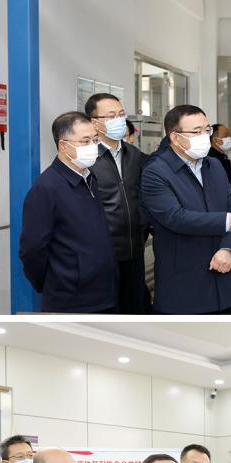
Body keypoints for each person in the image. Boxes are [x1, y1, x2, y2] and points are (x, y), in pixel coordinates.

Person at [141, 104, 231, 315]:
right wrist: (227, 221)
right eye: (196, 132)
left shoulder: (213, 166)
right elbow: (175, 218)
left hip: (222, 285)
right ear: (175, 137)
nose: (204, 136)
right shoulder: (156, 172)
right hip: (183, 287)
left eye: (206, 130)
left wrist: (228, 249)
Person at [19, 111, 118, 313]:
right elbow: (32, 249)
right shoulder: (47, 187)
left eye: (95, 140)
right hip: (71, 299)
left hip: (104, 293)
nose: (93, 146)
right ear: (64, 146)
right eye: (85, 141)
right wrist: (55, 282)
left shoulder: (89, 178)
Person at [85, 93, 151, 315]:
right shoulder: (87, 158)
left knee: (135, 311)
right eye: (111, 115)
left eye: (121, 114)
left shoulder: (135, 155)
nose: (119, 120)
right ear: (95, 122)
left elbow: (143, 198)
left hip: (134, 252)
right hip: (101, 257)